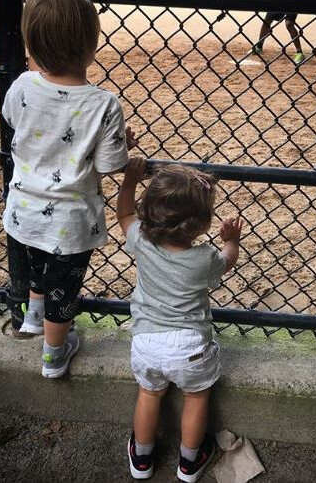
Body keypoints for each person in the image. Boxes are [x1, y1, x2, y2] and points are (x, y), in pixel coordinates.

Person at [1, 0, 137, 379]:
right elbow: (111, 164)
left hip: (25, 207)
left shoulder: (22, 86)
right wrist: (121, 143)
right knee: (64, 289)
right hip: (70, 219)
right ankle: (54, 354)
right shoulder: (103, 102)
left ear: (31, 44)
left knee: (38, 264)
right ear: (90, 46)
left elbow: (14, 121)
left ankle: (31, 319)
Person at [116, 158, 243, 481]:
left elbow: (124, 214)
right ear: (200, 225)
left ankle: (142, 458)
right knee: (196, 397)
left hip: (146, 342)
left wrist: (130, 181)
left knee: (149, 393)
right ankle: (189, 462)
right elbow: (227, 260)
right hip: (190, 347)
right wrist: (231, 240)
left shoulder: (141, 242)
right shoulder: (204, 259)